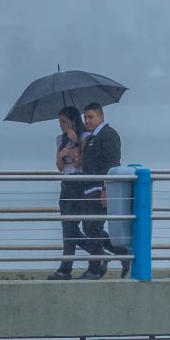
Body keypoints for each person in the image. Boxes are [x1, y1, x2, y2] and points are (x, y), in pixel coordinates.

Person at [78, 102, 126, 280]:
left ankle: (94, 269)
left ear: (101, 117)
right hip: (91, 188)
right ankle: (122, 253)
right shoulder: (91, 138)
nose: (87, 121)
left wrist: (106, 190)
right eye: (85, 117)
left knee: (94, 228)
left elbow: (112, 164)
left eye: (90, 117)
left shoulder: (108, 135)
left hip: (100, 189)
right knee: (90, 228)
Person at [46, 106, 89, 280]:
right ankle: (68, 267)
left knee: (72, 227)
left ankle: (98, 252)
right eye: (60, 122)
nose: (62, 125)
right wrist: (61, 154)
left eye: (65, 121)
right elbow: (60, 167)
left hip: (80, 183)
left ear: (73, 120)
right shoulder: (60, 139)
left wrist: (77, 144)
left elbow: (82, 164)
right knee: (67, 227)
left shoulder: (85, 137)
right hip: (67, 182)